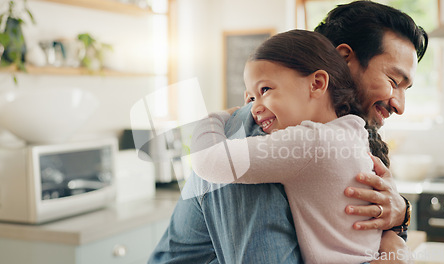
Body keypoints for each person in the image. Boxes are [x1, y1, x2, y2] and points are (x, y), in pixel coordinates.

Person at [149, 1, 428, 263]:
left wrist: (399, 220)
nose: (399, 105)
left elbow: (357, 232)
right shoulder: (260, 129)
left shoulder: (349, 134)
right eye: (393, 81)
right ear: (344, 59)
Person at [191, 29, 389, 264]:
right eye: (251, 99)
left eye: (265, 90)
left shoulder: (310, 143)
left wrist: (214, 118)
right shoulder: (351, 132)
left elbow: (209, 161)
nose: (253, 109)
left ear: (316, 83)